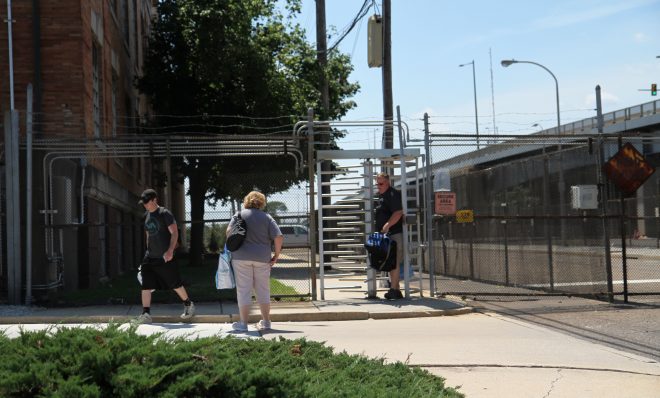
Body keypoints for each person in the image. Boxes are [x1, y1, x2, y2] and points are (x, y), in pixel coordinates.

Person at [133, 189, 195, 324]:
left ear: (155, 200)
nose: (145, 205)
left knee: (175, 283)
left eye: (147, 202)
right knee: (145, 285)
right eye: (143, 203)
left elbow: (174, 233)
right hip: (150, 256)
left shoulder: (164, 213)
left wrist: (170, 251)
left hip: (166, 256)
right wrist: (147, 251)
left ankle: (188, 304)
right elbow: (148, 234)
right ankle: (146, 313)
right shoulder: (147, 215)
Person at [227, 191, 283, 332]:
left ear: (247, 201)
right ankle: (266, 321)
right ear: (262, 202)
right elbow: (278, 237)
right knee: (263, 290)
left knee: (244, 290)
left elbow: (228, 232)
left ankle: (243, 323)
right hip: (262, 258)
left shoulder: (239, 215)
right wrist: (276, 255)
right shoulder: (267, 217)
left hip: (240, 257)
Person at [374, 173, 404, 300]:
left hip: (393, 234)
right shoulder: (382, 196)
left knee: (394, 262)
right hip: (384, 235)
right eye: (377, 183)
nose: (378, 186)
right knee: (389, 262)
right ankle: (396, 290)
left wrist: (387, 225)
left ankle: (393, 289)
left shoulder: (393, 194)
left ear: (388, 182)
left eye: (381, 183)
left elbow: (398, 212)